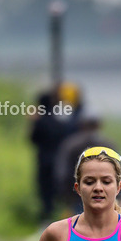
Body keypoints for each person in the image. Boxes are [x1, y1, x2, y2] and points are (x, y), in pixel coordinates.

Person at [54, 114, 121, 213]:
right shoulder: (108, 145)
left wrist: (64, 195)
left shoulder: (71, 144)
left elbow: (62, 173)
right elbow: (120, 172)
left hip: (77, 195)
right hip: (104, 196)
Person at [30, 88, 75, 223]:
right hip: (58, 161)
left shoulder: (40, 121)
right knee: (59, 190)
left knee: (45, 190)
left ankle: (47, 217)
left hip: (44, 160)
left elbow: (33, 139)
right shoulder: (60, 121)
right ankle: (63, 217)